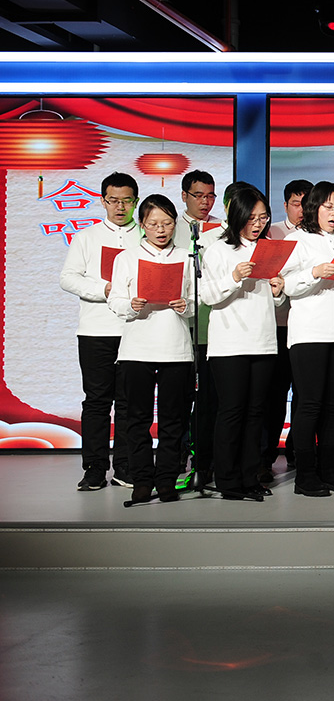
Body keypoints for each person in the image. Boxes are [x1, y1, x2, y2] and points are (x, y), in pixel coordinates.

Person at [107, 194, 195, 504]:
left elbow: (197, 301)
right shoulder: (127, 257)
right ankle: (142, 480)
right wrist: (131, 305)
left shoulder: (186, 257)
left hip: (175, 348)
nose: (161, 230)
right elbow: (115, 300)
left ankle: (167, 479)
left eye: (167, 223)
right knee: (137, 419)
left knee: (174, 419)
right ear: (142, 224)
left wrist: (186, 306)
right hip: (137, 348)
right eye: (154, 224)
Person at [279, 182, 334, 496]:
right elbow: (287, 286)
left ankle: (330, 468)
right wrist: (315, 272)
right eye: (328, 206)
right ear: (314, 207)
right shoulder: (296, 239)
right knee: (310, 405)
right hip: (309, 333)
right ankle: (305, 475)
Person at [60, 172, 142, 491]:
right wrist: (104, 289)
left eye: (127, 200)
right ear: (102, 201)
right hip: (96, 330)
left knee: (128, 402)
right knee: (96, 401)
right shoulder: (87, 237)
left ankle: (125, 466)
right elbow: (68, 278)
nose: (120, 207)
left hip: (135, 329)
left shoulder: (145, 236)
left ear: (136, 201)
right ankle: (94, 468)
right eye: (113, 200)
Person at [200, 185, 281, 501]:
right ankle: (228, 479)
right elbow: (208, 296)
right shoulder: (218, 250)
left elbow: (273, 300)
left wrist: (277, 290)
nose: (258, 224)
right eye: (252, 218)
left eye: (263, 217)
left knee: (256, 413)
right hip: (229, 344)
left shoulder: (268, 249)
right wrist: (234, 277)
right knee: (232, 412)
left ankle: (250, 476)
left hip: (263, 341)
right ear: (237, 216)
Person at [172, 170, 225, 489]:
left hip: (210, 329)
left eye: (210, 196)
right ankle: (176, 462)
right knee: (178, 401)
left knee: (209, 401)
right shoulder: (171, 227)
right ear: (184, 196)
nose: (205, 202)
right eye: (198, 196)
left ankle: (206, 463)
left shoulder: (223, 229)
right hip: (177, 328)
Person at [259, 178, 312, 481]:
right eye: (295, 204)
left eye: (307, 204)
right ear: (285, 205)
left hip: (308, 328)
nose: (302, 210)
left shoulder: (319, 236)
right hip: (278, 326)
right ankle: (265, 458)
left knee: (306, 396)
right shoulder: (272, 233)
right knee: (275, 396)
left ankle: (299, 452)